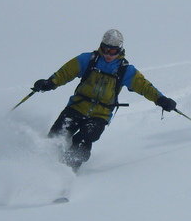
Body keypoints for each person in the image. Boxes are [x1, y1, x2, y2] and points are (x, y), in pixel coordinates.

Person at [33, 29, 177, 172]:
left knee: (83, 140)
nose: (108, 54)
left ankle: (64, 173)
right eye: (105, 49)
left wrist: (161, 99)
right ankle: (40, 166)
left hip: (99, 115)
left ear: (119, 50)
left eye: (112, 51)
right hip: (76, 107)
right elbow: (65, 73)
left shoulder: (125, 70)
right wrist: (49, 83)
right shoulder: (88, 60)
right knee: (56, 136)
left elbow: (144, 87)